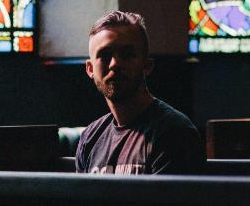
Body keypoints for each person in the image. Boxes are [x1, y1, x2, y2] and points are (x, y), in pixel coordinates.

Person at [75, 10, 204, 175]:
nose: (114, 64)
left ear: (147, 66)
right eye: (105, 55)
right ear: (90, 69)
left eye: (127, 55)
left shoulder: (174, 133)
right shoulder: (90, 137)